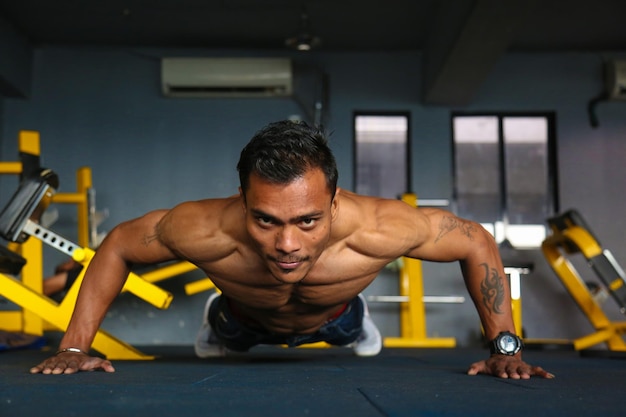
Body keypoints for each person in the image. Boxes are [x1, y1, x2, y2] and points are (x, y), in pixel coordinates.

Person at [30, 120, 554, 379]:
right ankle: (219, 322)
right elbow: (119, 243)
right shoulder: (203, 227)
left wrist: (504, 347)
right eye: (265, 220)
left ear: (334, 199)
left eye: (307, 221)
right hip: (242, 320)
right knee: (226, 325)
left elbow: (476, 241)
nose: (286, 244)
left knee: (345, 324)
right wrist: (75, 347)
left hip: (335, 320)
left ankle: (356, 319)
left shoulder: (380, 226)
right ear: (242, 198)